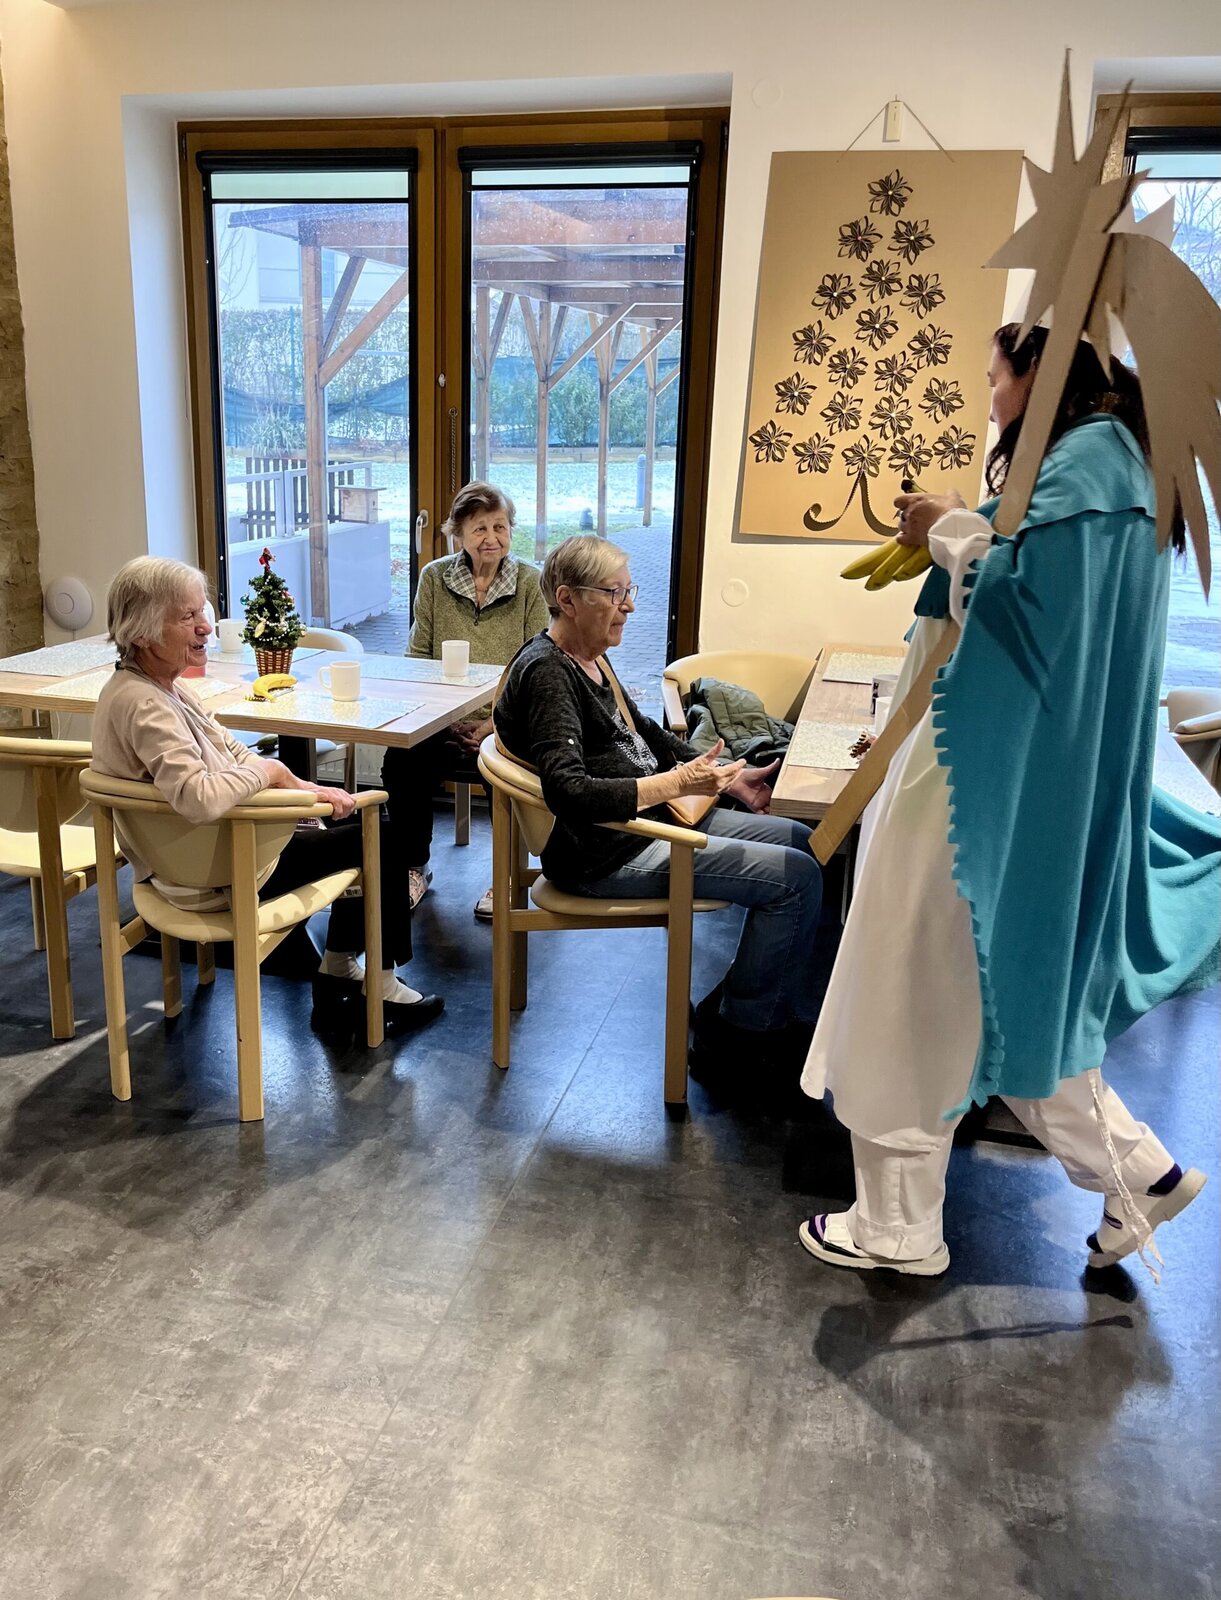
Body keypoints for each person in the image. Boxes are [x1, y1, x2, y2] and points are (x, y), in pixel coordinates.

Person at [797, 324, 1219, 1277]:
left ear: (1040, 376)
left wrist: (950, 527)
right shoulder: (1116, 469)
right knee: (994, 995)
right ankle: (1139, 1174)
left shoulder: (1087, 469)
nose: (990, 402)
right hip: (1005, 776)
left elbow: (1026, 611)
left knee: (910, 987)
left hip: (975, 783)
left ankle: (895, 1227)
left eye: (996, 379)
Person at [494, 534, 825, 1066]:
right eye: (613, 593)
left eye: (629, 591)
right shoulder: (548, 674)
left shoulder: (588, 658)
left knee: (803, 841)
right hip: (606, 852)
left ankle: (739, 1007)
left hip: (645, 824)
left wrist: (727, 778)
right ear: (568, 599)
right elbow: (568, 791)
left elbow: (643, 731)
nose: (628, 606)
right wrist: (678, 783)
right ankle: (739, 1036)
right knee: (797, 878)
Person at [90, 556, 443, 1040]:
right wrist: (270, 771)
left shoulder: (154, 687)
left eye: (203, 611)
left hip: (205, 855)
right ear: (143, 631)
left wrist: (304, 787)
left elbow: (231, 751)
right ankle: (376, 986)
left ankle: (340, 968)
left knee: (354, 821)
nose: (205, 626)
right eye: (187, 616)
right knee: (381, 836)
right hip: (216, 871)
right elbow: (197, 797)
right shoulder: (146, 705)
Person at [382, 481, 549, 919]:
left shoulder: (530, 582)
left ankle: (507, 875)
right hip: (443, 717)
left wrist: (493, 724)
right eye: (479, 528)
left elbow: (539, 667)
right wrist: (442, 720)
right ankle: (413, 867)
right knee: (401, 760)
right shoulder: (434, 578)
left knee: (508, 765)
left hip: (506, 721)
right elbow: (417, 658)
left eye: (500, 526)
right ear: (458, 533)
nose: (491, 538)